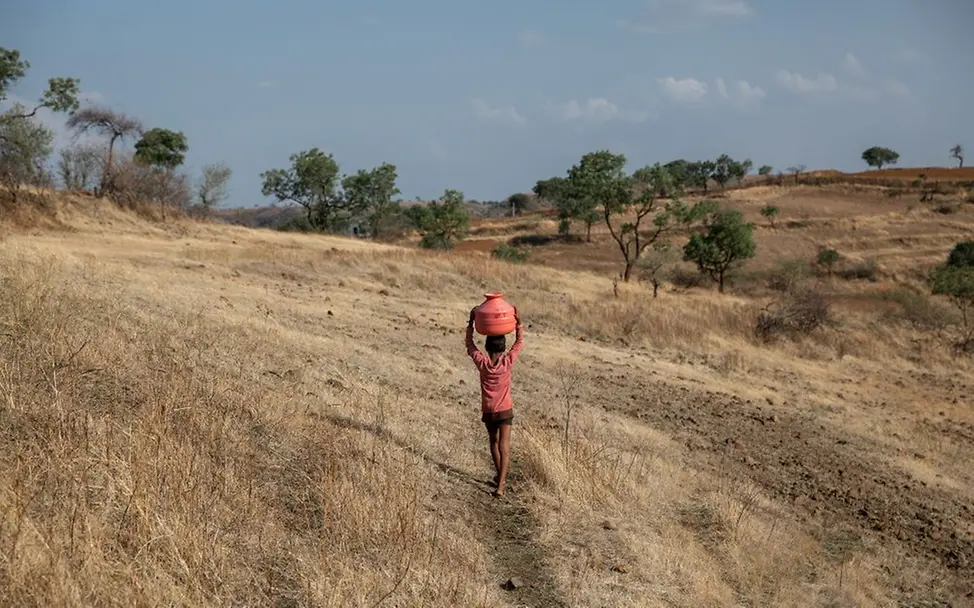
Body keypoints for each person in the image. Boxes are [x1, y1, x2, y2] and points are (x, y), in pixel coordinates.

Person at [465, 305, 524, 497]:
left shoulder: (482, 364)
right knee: (504, 446)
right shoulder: (507, 363)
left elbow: (470, 346)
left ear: (487, 348)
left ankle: (500, 478)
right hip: (505, 410)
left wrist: (471, 323)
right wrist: (519, 324)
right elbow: (519, 344)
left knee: (494, 442)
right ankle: (501, 485)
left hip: (489, 410)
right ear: (503, 348)